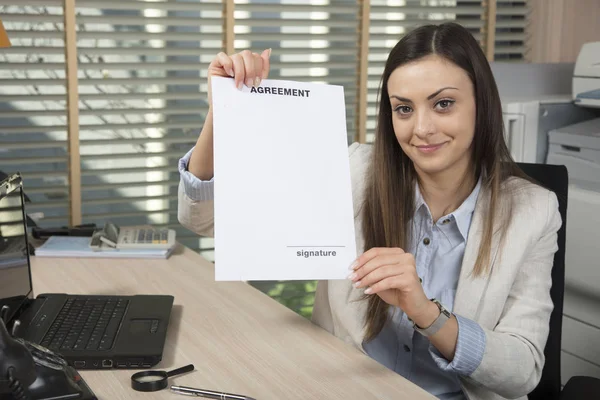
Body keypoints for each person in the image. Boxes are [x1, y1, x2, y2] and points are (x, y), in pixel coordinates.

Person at [177, 22, 561, 400]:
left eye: (443, 104)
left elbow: (522, 372)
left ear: (482, 103)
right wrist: (222, 110)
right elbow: (204, 219)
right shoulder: (355, 172)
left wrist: (426, 313)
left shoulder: (533, 212)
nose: (422, 128)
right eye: (404, 109)